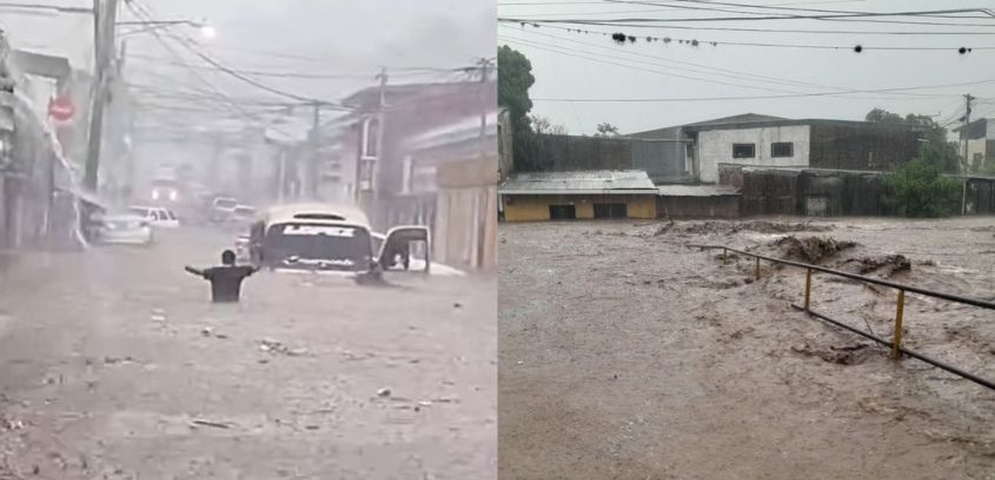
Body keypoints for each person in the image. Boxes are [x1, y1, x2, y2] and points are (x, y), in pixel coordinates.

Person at [184, 249, 259, 303]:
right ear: (234, 260)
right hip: (233, 304)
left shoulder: (214, 272)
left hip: (217, 303)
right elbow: (256, 268)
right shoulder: (240, 271)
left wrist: (188, 268)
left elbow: (199, 272)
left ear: (222, 260)